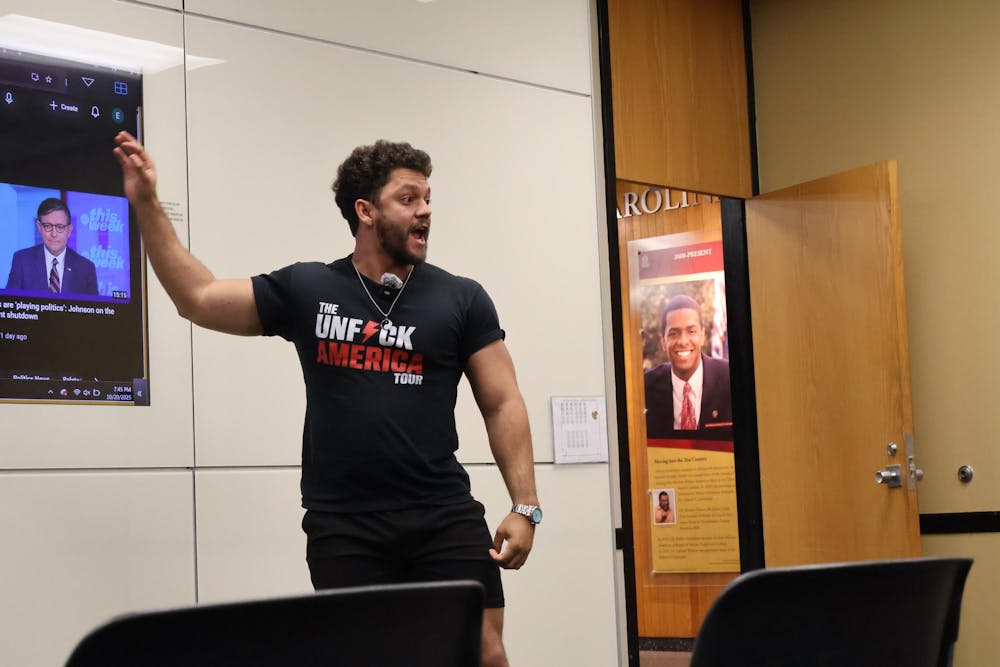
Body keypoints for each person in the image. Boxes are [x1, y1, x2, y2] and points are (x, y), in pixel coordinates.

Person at [113, 132, 539, 667]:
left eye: (428, 198)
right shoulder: (309, 288)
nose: (425, 211)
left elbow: (502, 401)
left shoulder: (461, 297)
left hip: (442, 515)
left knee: (482, 651)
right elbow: (197, 298)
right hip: (345, 525)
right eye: (408, 198)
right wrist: (148, 205)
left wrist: (526, 505)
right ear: (365, 210)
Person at [644, 294, 732, 439]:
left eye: (691, 331)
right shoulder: (645, 388)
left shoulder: (730, 378)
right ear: (663, 342)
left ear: (702, 336)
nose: (683, 341)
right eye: (674, 333)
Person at [5, 198, 98, 295]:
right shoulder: (22, 260)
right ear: (39, 227)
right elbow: (10, 304)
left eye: (60, 227)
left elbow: (94, 308)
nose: (54, 234)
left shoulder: (86, 268)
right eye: (47, 226)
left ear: (69, 230)